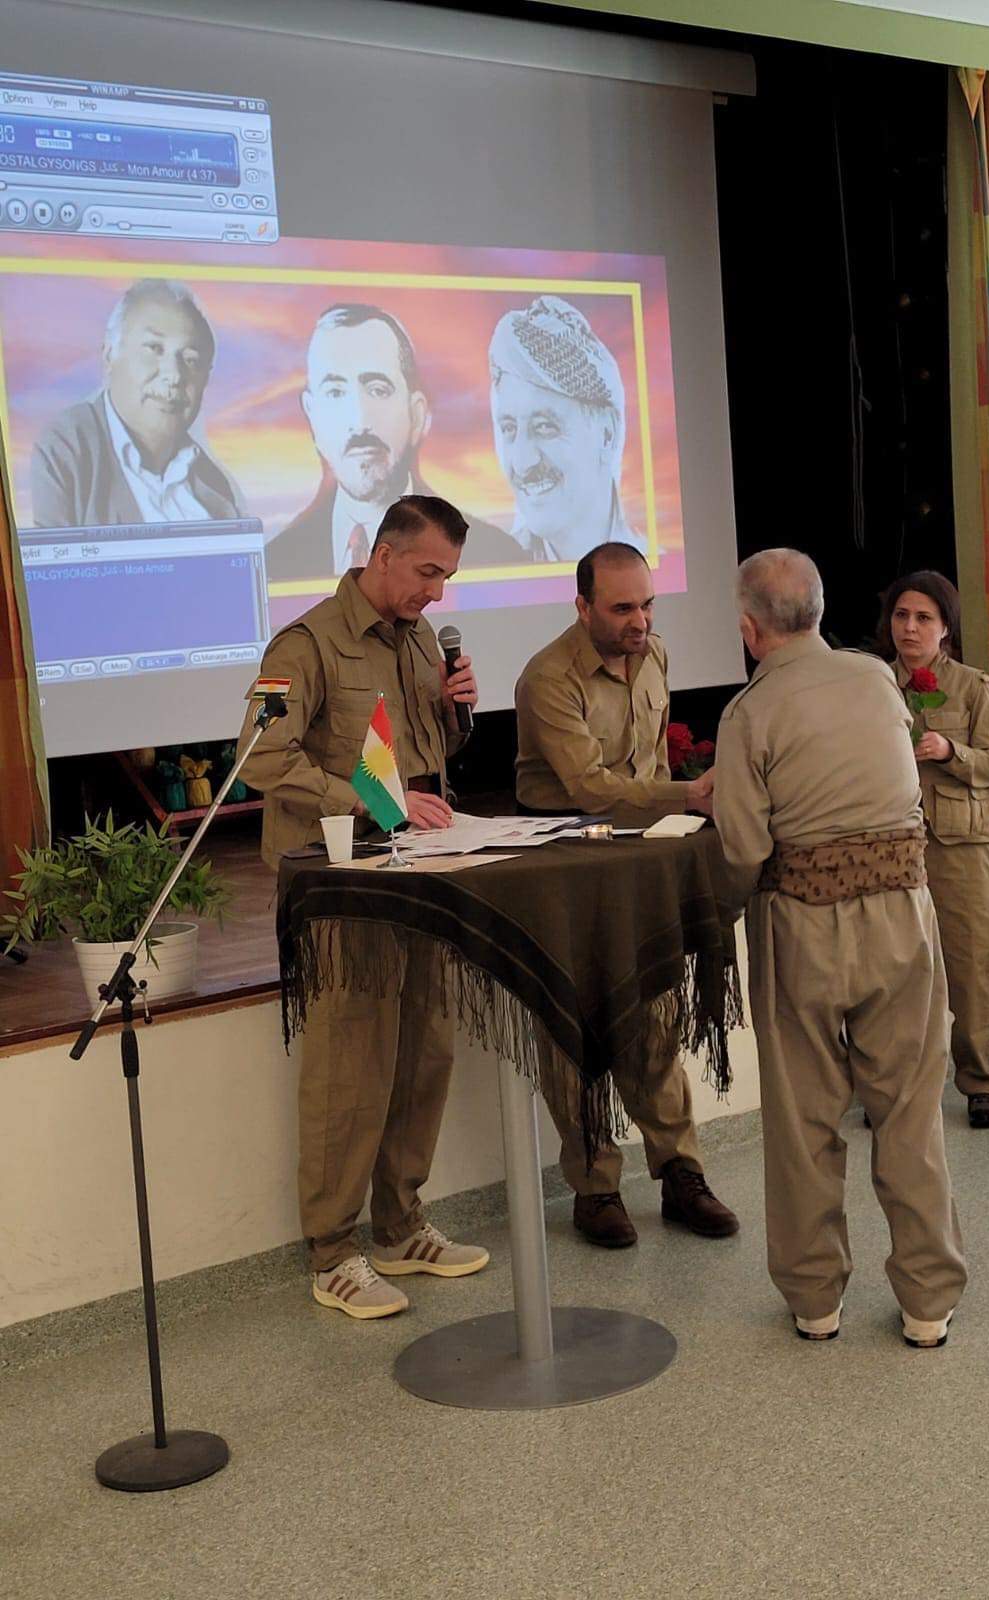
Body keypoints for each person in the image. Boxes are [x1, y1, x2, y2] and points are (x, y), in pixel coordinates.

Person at [237, 494, 488, 1318]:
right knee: (352, 1064)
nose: (437, 594)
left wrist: (458, 715)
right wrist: (369, 804)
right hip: (341, 884)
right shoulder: (305, 644)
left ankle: (401, 1223)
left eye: (447, 576)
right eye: (426, 572)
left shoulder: (419, 641)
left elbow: (420, 755)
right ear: (381, 553)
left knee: (427, 1049)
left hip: (417, 874)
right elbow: (259, 758)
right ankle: (333, 1252)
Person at [713, 549, 966, 1349]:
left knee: (804, 1120)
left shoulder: (748, 713)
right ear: (820, 612)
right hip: (903, 914)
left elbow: (744, 849)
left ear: (750, 629)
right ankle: (928, 1304)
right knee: (911, 1114)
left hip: (804, 925)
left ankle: (816, 1300)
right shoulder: (875, 679)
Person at [514, 541, 738, 1247]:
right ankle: (594, 1188)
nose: (639, 620)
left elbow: (652, 761)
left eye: (646, 603)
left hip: (640, 855)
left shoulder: (657, 655)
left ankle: (679, 1174)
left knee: (656, 1013)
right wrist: (689, 794)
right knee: (573, 1026)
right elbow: (589, 787)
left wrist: (674, 816)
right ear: (582, 607)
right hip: (567, 862)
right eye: (621, 608)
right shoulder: (548, 677)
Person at [878, 571, 989, 1129]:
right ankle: (899, 1089)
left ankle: (980, 1082)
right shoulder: (873, 683)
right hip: (891, 842)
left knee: (970, 963)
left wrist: (950, 749)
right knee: (896, 968)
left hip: (959, 843)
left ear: (946, 627)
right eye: (902, 615)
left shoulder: (972, 686)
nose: (909, 627)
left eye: (923, 617)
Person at [269, 302, 521, 584]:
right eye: (335, 392)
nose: (359, 419)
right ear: (312, 416)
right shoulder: (274, 563)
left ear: (416, 414)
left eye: (378, 389)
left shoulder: (496, 549)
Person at [31, 278, 241, 529]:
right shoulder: (67, 448)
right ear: (110, 356)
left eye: (190, 360)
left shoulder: (214, 485)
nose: (174, 375)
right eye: (154, 348)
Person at [489, 295, 642, 563]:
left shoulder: (648, 562)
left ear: (607, 434)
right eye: (509, 428)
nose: (523, 463)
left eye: (545, 427)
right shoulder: (500, 562)